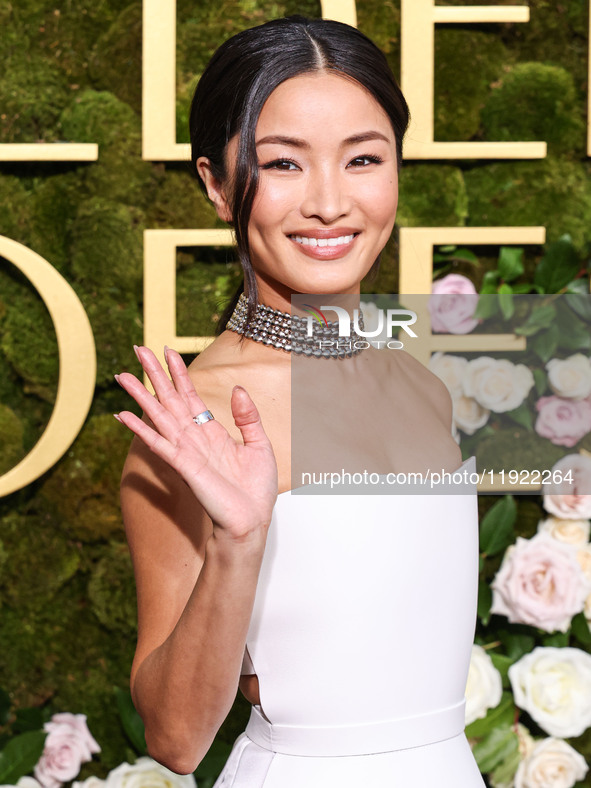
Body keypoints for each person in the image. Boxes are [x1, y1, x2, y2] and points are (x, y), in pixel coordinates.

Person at [116, 15, 486, 787]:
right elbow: (174, 739)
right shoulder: (195, 420)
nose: (328, 202)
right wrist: (238, 541)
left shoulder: (421, 387)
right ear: (216, 186)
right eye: (282, 163)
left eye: (362, 159)